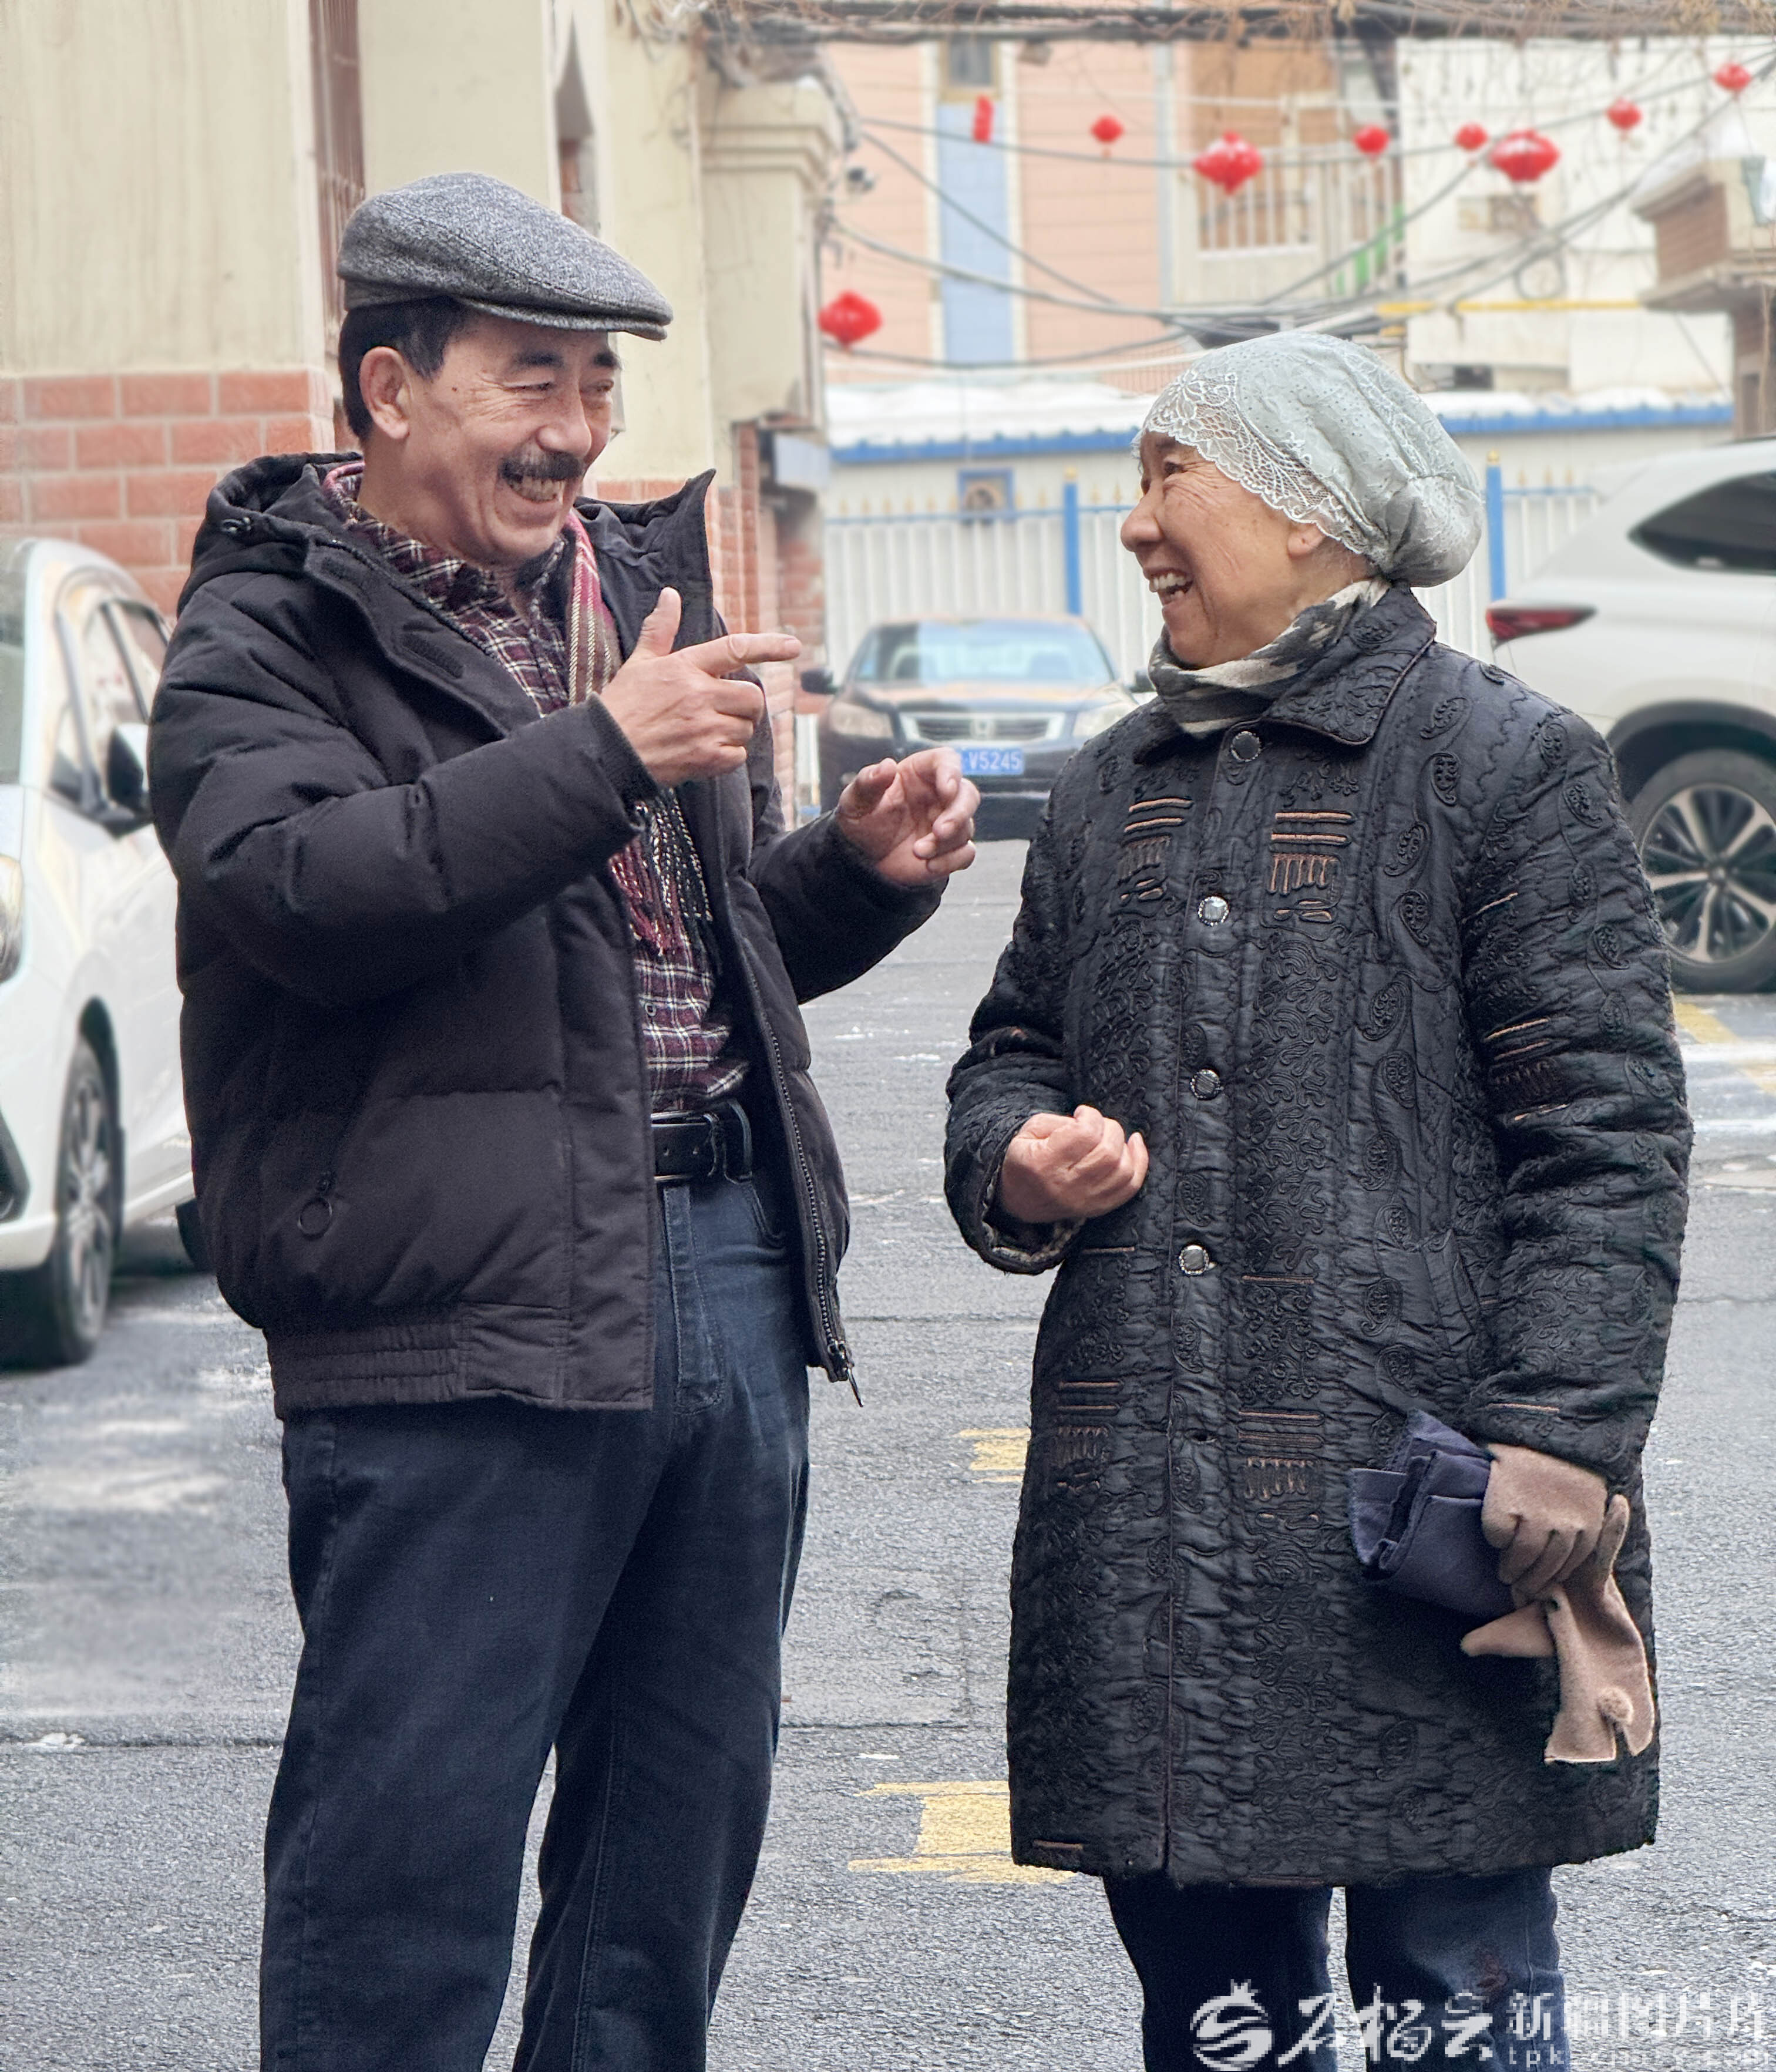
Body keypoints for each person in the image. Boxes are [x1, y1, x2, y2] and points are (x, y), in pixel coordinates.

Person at [149, 171, 978, 2072]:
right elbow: (301, 895)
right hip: (460, 1317)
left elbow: (667, 975)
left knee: (668, 1854)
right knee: (404, 1865)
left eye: (600, 385)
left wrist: (853, 876)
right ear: (388, 389)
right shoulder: (267, 628)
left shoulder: (630, 595)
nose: (580, 433)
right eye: (535, 380)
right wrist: (608, 750)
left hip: (727, 1273)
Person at [944, 331, 1688, 2071]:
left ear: (1309, 510)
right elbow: (1013, 1044)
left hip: (1424, 1492)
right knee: (1215, 2003)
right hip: (1155, 1510)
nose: (1137, 523)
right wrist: (1016, 1153)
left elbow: (1606, 1126)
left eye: (1169, 476)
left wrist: (1561, 1432)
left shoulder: (1503, 761)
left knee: (1457, 1990)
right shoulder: (1112, 785)